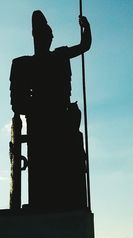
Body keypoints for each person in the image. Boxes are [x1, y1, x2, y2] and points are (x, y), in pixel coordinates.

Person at [9, 10, 92, 209]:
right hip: (41, 123)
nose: (48, 38)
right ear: (37, 38)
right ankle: (43, 201)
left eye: (49, 35)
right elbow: (17, 103)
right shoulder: (23, 64)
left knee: (64, 165)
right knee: (42, 167)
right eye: (44, 35)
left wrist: (86, 28)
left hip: (60, 119)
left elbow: (84, 46)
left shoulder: (59, 55)